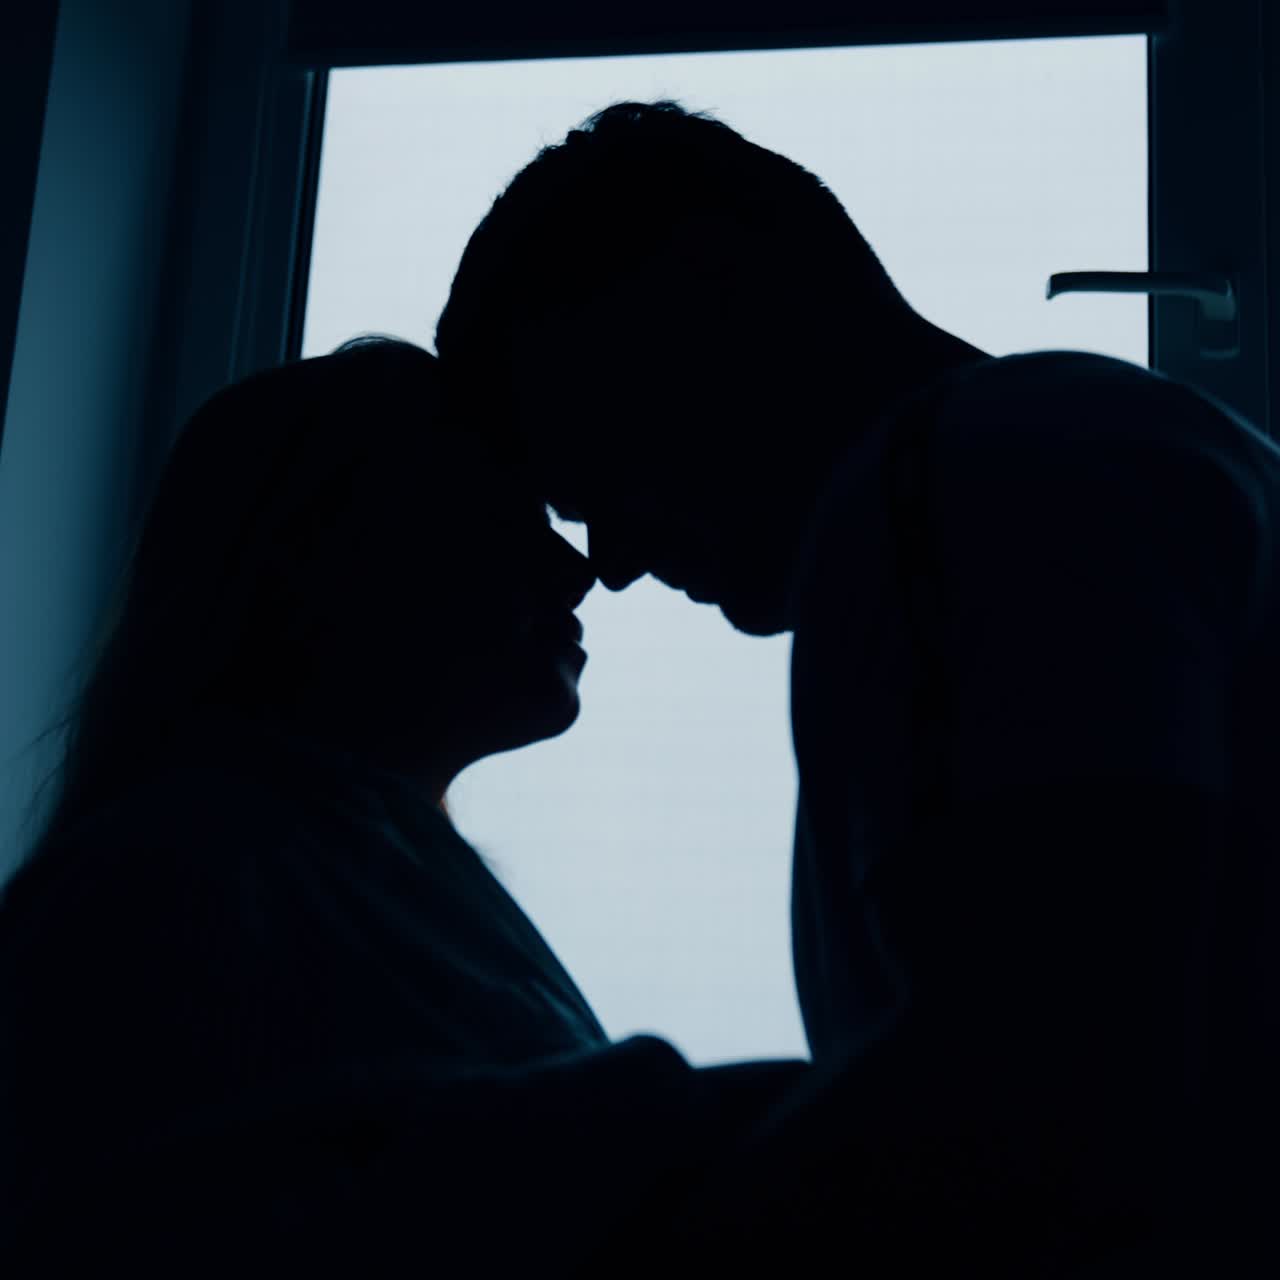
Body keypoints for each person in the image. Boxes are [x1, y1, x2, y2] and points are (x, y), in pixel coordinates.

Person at [435, 101, 1280, 1273]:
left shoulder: (977, 482)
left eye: (596, 462)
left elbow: (1056, 1075)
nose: (613, 560)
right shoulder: (1079, 449)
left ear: (713, 310)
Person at [0, 337, 803, 1274]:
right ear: (317, 553)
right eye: (494, 519)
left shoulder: (261, 862)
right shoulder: (174, 875)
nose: (577, 571)